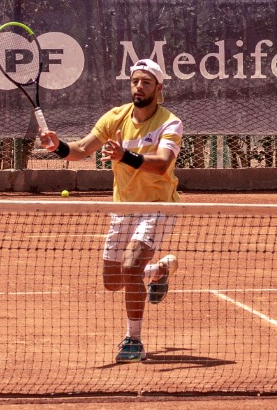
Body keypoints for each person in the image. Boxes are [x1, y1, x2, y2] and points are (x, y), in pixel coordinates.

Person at [38, 59, 181, 363]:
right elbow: (81, 149)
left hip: (157, 207)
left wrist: (125, 156)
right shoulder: (115, 117)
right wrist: (58, 147)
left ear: (158, 87)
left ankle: (134, 339)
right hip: (123, 207)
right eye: (135, 81)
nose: (139, 87)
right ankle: (158, 270)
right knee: (113, 281)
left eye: (145, 82)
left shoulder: (170, 123)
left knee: (129, 268)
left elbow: (161, 164)